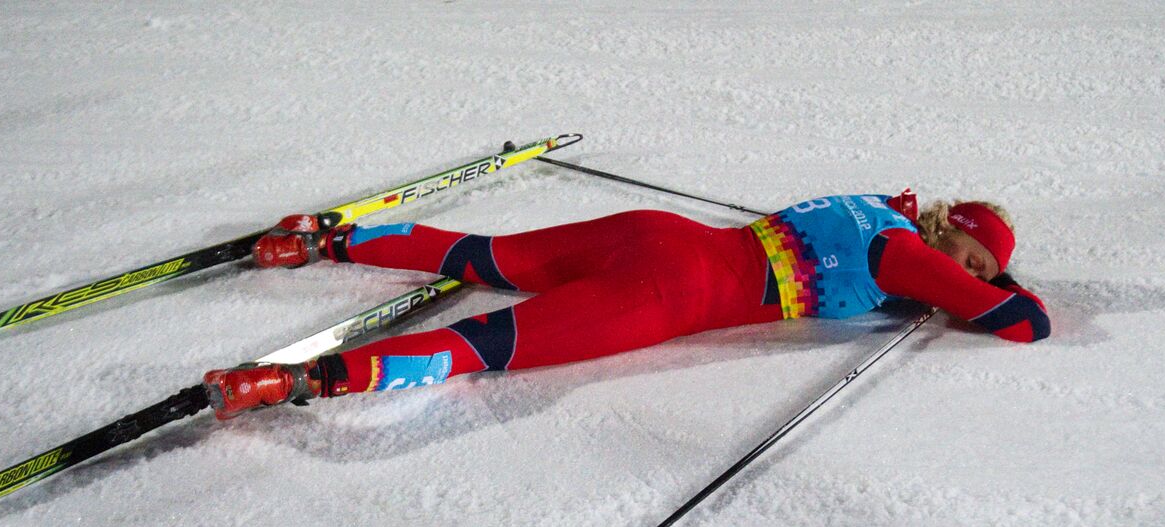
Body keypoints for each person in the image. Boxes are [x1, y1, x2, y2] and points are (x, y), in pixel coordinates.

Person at [202, 192, 1050, 419]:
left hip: (655, 235)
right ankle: (294, 384)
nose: (972, 270)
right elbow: (1021, 324)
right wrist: (1001, 287)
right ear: (956, 238)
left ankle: (324, 236)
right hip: (666, 295)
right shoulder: (910, 255)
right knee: (476, 348)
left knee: (482, 257)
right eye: (975, 256)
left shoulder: (883, 207)